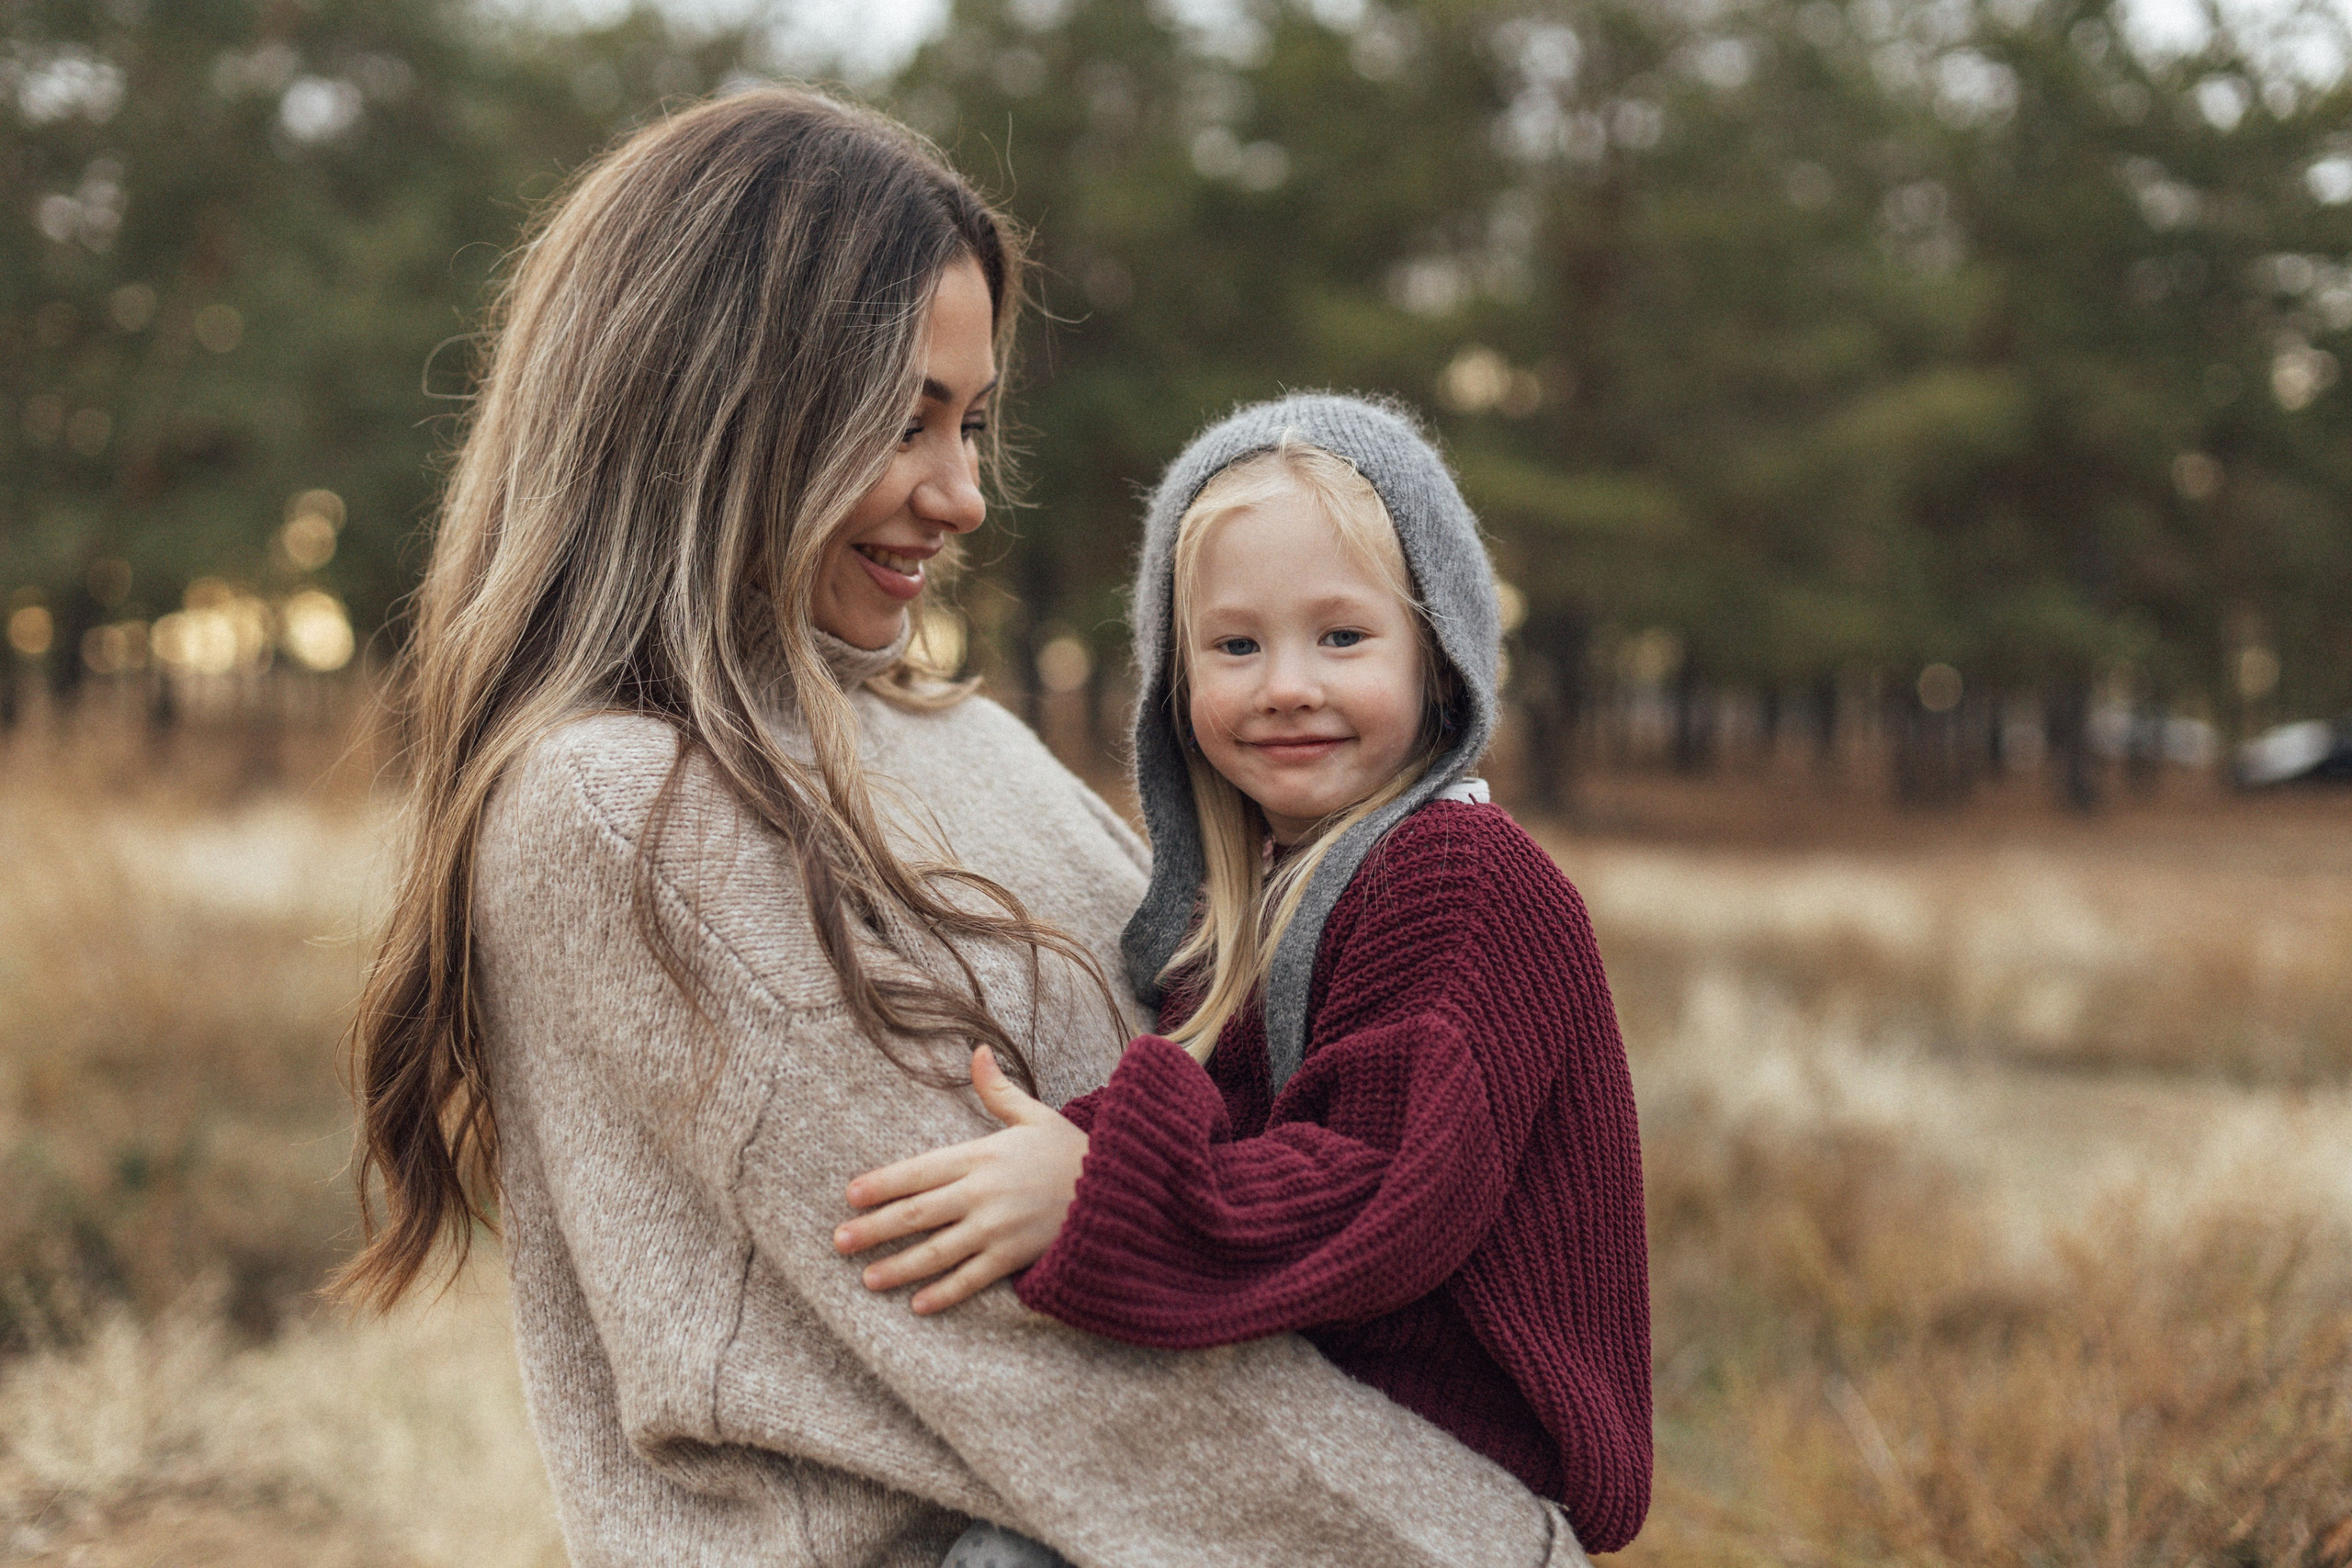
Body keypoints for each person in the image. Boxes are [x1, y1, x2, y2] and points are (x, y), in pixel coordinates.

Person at [336, 90, 1593, 1568]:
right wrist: (1492, 1545)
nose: (965, 492)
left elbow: (1239, 1132)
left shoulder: (958, 733)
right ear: (716, 402)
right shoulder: (622, 805)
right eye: (904, 417)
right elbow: (1033, 1356)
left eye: (975, 417)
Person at [836, 395, 1652, 1561]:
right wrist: (1066, 1143)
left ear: (1439, 655)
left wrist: (1101, 1188)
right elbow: (1219, 1108)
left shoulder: (1460, 877)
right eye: (1234, 645)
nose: (1284, 684)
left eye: (1341, 637)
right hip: (1319, 1406)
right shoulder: (1261, 893)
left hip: (1460, 1463)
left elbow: (1386, 1185)